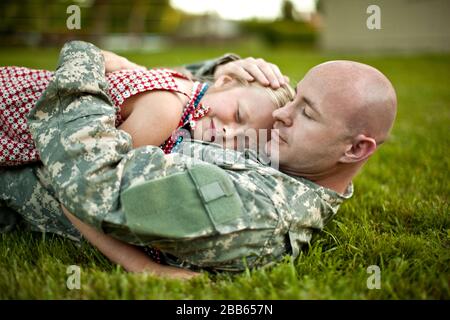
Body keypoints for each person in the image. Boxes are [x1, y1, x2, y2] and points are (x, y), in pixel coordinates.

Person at [1, 41, 397, 280]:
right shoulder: (292, 154)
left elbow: (91, 183)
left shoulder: (258, 209)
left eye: (305, 112)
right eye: (293, 98)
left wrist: (81, 63)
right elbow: (178, 102)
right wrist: (218, 75)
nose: (281, 115)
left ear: (355, 150)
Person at [0, 47, 293, 166]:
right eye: (239, 115)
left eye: (243, 140)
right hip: (11, 114)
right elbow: (98, 174)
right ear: (225, 79)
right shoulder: (165, 110)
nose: (230, 131)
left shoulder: (184, 85)